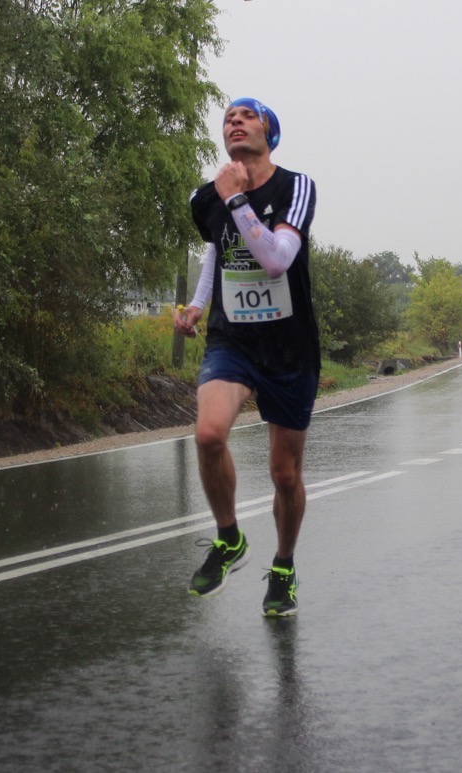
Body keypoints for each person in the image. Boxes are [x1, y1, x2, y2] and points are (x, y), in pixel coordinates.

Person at [174, 97, 318, 617]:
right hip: (231, 340)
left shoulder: (296, 187)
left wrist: (237, 198)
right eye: (227, 117)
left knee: (285, 474)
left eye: (247, 115)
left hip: (289, 348)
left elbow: (277, 260)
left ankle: (283, 566)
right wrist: (197, 304)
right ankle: (229, 537)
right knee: (209, 435)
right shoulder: (207, 197)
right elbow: (218, 249)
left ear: (269, 133)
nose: (234, 121)